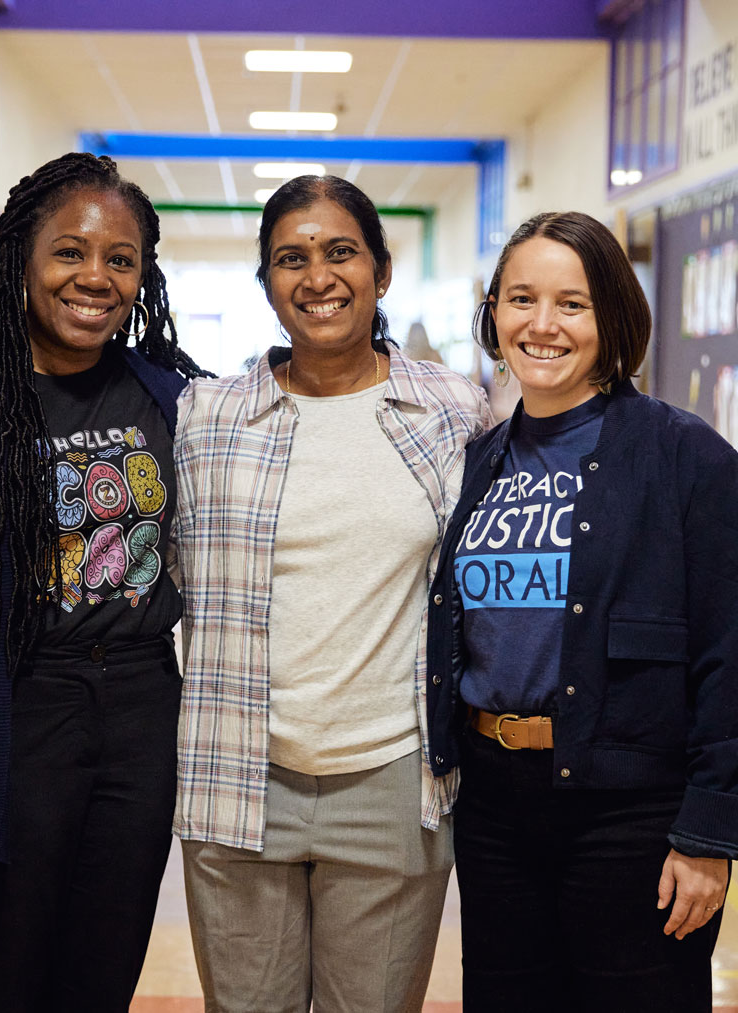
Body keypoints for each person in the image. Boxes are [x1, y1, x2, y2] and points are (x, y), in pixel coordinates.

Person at [0, 152, 206, 1011]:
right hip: (14, 714)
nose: (95, 277)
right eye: (70, 252)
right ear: (23, 256)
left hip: (138, 711)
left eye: (120, 259)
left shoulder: (169, 398)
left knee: (98, 980)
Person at [426, 211, 738, 1011]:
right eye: (521, 299)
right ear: (494, 314)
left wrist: (707, 834)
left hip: (631, 808)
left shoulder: (688, 458)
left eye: (571, 304)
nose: (542, 325)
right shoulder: (479, 461)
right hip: (496, 803)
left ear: (612, 316)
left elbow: (726, 659)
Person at [173, 174, 492, 1012]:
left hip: (392, 783)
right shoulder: (206, 418)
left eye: (341, 251)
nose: (318, 276)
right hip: (238, 777)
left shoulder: (453, 411)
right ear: (269, 284)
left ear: (381, 272)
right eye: (291, 258)